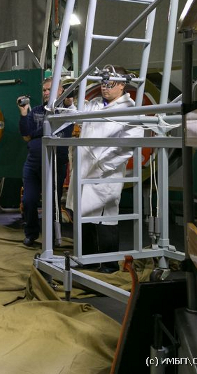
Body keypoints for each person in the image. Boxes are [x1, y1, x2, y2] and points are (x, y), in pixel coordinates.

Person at [69, 65, 143, 272]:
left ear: (122, 85)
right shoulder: (94, 104)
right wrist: (68, 102)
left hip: (105, 174)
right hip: (84, 169)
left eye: (110, 84)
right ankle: (87, 260)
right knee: (84, 217)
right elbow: (76, 116)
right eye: (103, 83)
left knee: (105, 220)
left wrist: (102, 165)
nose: (105, 87)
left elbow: (128, 145)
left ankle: (109, 265)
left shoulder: (130, 110)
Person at [18, 77, 73, 247]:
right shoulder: (35, 111)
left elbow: (53, 131)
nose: (46, 93)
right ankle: (31, 234)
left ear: (61, 91)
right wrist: (24, 113)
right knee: (28, 201)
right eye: (44, 90)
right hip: (33, 163)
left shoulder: (67, 112)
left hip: (55, 163)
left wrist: (35, 133)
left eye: (50, 89)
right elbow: (25, 134)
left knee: (52, 202)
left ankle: (52, 238)